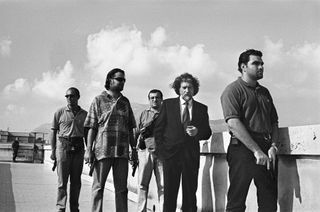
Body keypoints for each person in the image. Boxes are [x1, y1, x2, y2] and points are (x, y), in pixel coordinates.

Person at [220, 49, 279, 212]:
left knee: (269, 200)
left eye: (262, 64)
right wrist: (256, 151)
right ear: (243, 67)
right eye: (256, 63)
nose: (261, 67)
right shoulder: (232, 90)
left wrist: (273, 146)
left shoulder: (264, 92)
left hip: (266, 148)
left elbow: (274, 122)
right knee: (237, 201)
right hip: (242, 148)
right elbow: (233, 123)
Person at [154, 73, 212, 212]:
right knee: (169, 194)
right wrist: (162, 154)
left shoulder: (201, 108)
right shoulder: (167, 104)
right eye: (184, 87)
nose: (187, 90)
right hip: (170, 157)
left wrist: (198, 132)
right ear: (178, 89)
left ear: (194, 89)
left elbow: (207, 132)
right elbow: (158, 130)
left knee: (190, 194)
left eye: (190, 88)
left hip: (190, 157)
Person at [84, 68, 137, 212]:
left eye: (124, 80)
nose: (122, 82)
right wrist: (88, 149)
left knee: (122, 190)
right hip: (102, 151)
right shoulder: (98, 100)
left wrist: (134, 149)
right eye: (119, 79)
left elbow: (131, 127)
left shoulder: (125, 102)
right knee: (98, 188)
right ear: (110, 80)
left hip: (121, 152)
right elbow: (91, 127)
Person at [50, 87, 88, 212]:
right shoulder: (60, 112)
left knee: (76, 182)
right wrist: (53, 150)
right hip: (63, 147)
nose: (69, 98)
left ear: (78, 97)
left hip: (78, 148)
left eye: (71, 96)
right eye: (67, 96)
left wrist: (89, 150)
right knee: (62, 182)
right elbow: (53, 132)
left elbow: (87, 134)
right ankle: (61, 207)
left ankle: (74, 208)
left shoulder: (84, 114)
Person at [136, 89, 164, 212]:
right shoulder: (143, 114)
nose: (154, 100)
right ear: (149, 100)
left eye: (157, 97)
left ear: (161, 99)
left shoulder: (168, 114)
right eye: (152, 98)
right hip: (145, 152)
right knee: (142, 184)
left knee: (163, 186)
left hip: (163, 153)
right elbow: (136, 133)